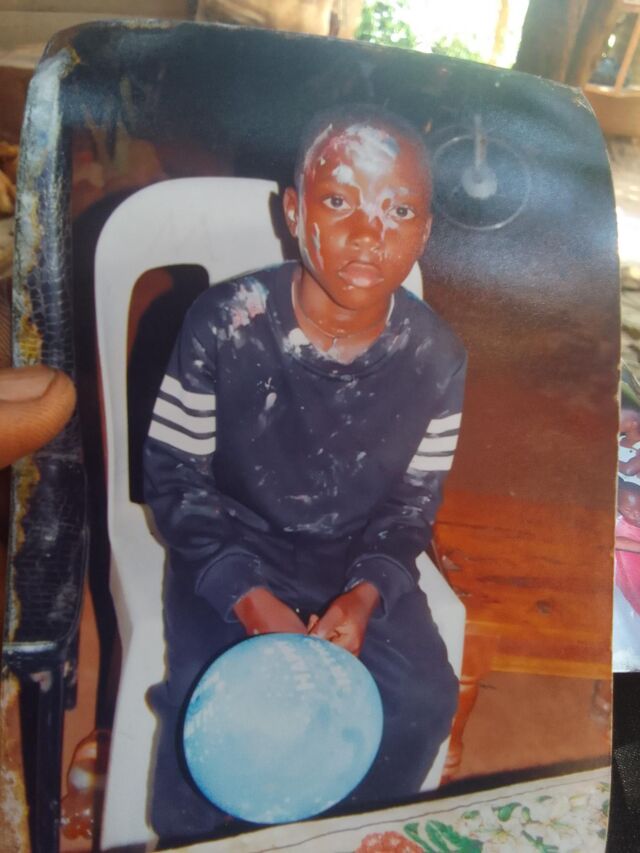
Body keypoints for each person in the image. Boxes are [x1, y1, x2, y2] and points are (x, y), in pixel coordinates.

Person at [143, 104, 467, 845]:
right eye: (339, 200)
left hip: (351, 553)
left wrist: (364, 593)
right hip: (230, 546)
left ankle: (336, 831)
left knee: (422, 696)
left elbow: (412, 503)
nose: (368, 233)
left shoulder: (438, 357)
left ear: (424, 232)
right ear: (293, 212)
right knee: (214, 706)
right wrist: (250, 602)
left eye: (398, 210)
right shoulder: (223, 324)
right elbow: (175, 477)